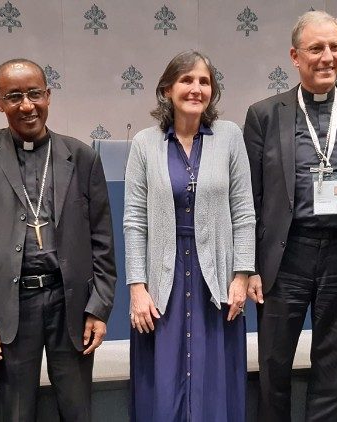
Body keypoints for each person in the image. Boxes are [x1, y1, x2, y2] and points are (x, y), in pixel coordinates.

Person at [243, 10, 337, 421]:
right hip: (286, 257)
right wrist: (250, 266)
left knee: (332, 363)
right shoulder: (264, 114)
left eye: (335, 47)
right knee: (274, 362)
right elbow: (250, 198)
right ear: (295, 55)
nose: (327, 57)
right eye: (316, 48)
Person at [0, 58, 116, 422]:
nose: (27, 105)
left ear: (48, 95)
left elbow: (102, 239)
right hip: (10, 304)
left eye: (34, 94)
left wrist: (99, 307)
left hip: (69, 302)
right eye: (14, 97)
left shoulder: (82, 155)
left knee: (77, 411)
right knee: (16, 413)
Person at [124, 50, 256, 421]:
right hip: (161, 279)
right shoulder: (146, 144)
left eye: (204, 81)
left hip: (214, 280)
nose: (196, 88)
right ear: (167, 89)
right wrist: (138, 287)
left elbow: (244, 212)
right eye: (187, 80)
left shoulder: (230, 136)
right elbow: (134, 221)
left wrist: (241, 275)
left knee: (214, 378)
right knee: (164, 382)